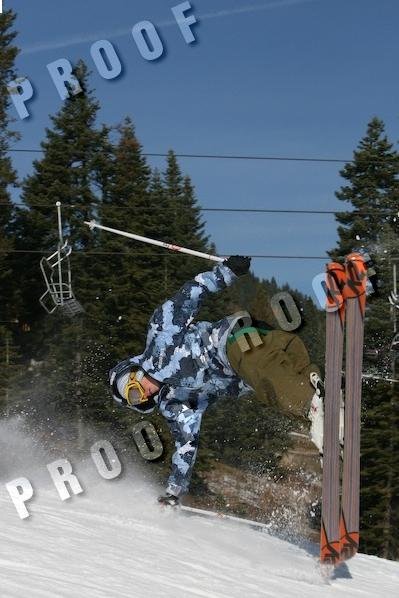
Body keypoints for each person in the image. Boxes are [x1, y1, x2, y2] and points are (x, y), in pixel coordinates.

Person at [109, 256, 324, 507]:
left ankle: (311, 403)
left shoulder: (160, 337)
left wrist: (227, 272)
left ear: (135, 372)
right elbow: (186, 446)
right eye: (137, 401)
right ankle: (323, 403)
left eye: (135, 390)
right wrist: (173, 492)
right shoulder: (175, 405)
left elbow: (191, 294)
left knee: (267, 375)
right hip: (251, 368)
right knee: (290, 361)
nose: (143, 395)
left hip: (233, 342)